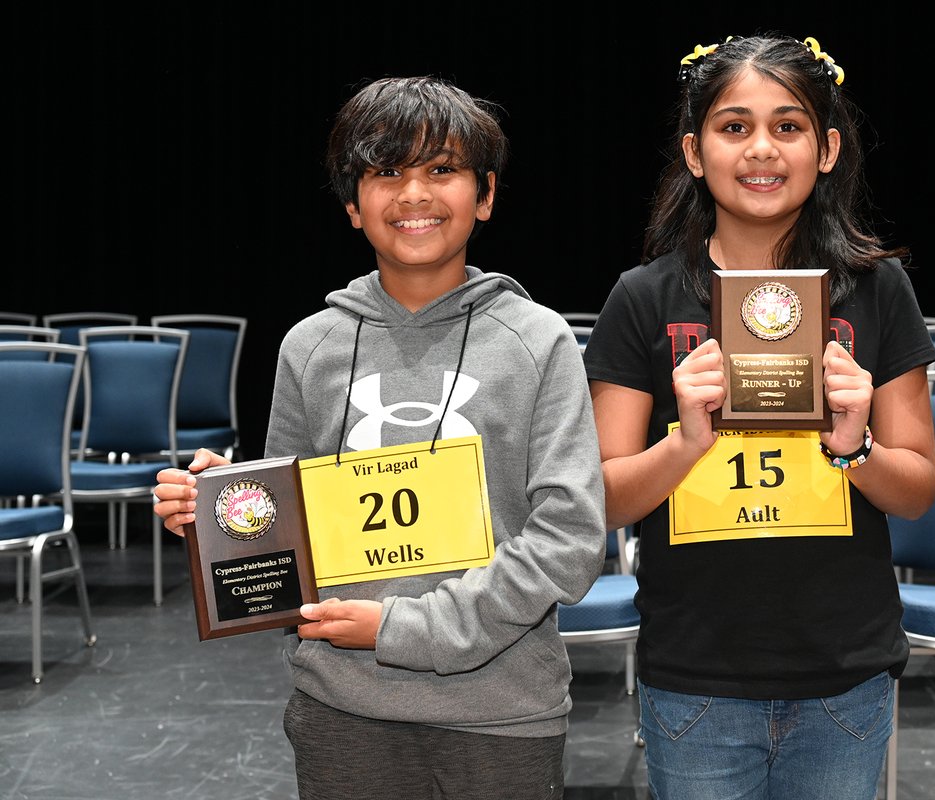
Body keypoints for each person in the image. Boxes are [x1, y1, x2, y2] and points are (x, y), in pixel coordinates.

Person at [152, 75, 607, 800]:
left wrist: (405, 629)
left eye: (443, 169)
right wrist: (219, 515)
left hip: (501, 714)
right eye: (387, 172)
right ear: (351, 204)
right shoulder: (310, 346)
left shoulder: (539, 340)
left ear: (485, 195)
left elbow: (568, 539)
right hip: (340, 709)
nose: (414, 194)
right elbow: (286, 550)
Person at [582, 34, 935, 799]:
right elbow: (603, 499)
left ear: (827, 148)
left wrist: (856, 447)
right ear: (694, 151)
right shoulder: (642, 298)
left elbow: (916, 489)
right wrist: (686, 443)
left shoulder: (879, 290)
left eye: (789, 125)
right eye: (734, 126)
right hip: (697, 675)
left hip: (844, 674)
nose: (762, 149)